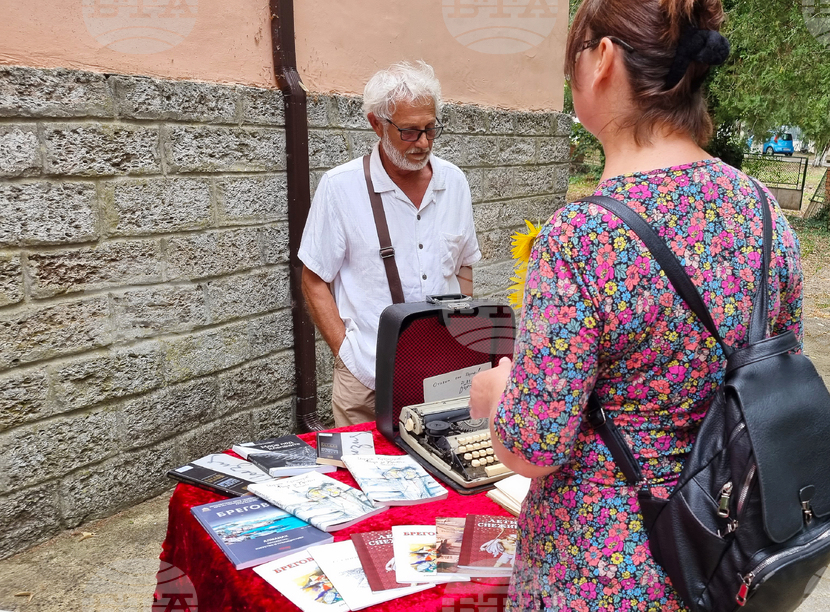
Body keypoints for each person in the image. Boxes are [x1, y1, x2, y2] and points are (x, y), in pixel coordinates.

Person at [469, 0, 804, 610]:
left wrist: (496, 391)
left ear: (601, 60)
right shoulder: (765, 215)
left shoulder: (583, 236)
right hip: (719, 556)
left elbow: (531, 448)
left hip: (600, 571)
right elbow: (774, 382)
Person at [299, 61, 481, 426]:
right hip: (366, 376)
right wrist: (345, 352)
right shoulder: (340, 187)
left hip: (440, 374)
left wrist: (458, 344)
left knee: (441, 471)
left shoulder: (454, 182)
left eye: (431, 129)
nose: (424, 143)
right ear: (376, 124)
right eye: (410, 132)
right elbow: (314, 279)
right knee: (364, 475)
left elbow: (462, 264)